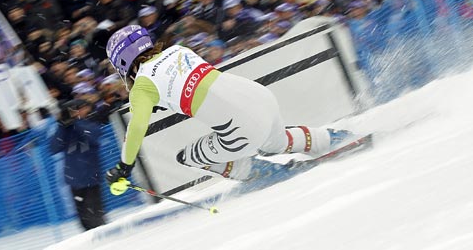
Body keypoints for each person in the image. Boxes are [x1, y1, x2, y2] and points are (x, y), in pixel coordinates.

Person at [105, 24, 353, 188]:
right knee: (277, 141)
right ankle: (332, 139)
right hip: (261, 97)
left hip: (242, 127)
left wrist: (124, 167)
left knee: (187, 156)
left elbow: (136, 129)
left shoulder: (141, 88)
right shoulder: (178, 50)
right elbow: (182, 81)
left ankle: (262, 174)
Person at [51, 98, 106, 231]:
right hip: (74, 178)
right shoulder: (65, 128)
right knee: (84, 220)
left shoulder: (91, 121)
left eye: (79, 109)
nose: (77, 112)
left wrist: (76, 122)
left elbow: (93, 136)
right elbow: (54, 147)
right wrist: (62, 125)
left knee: (96, 217)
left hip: (91, 177)